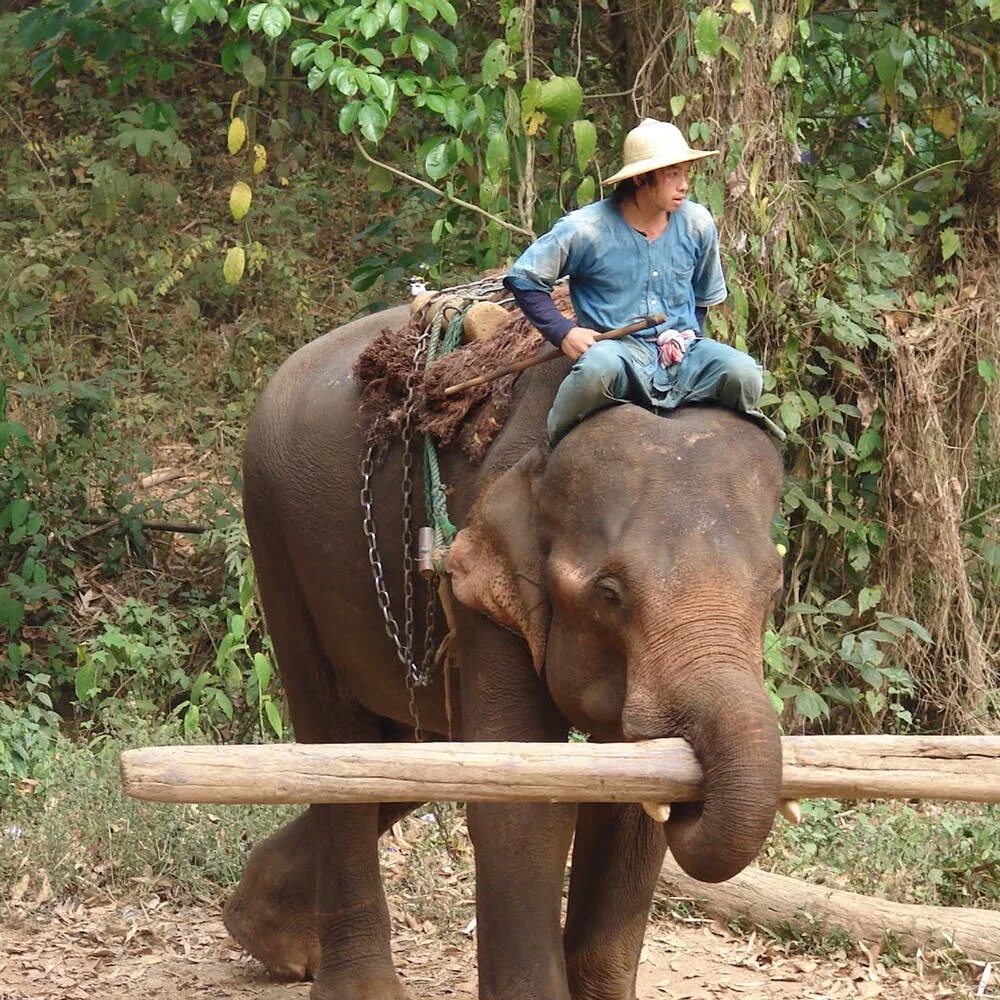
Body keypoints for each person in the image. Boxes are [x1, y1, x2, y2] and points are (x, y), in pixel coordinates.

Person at [503, 117, 782, 444]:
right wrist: (563, 332)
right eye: (671, 174)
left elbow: (703, 299)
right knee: (595, 371)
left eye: (684, 173)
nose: (684, 185)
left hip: (682, 353)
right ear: (640, 179)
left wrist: (683, 340)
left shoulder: (697, 224)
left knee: (744, 373)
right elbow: (524, 279)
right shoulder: (585, 229)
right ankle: (552, 449)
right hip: (619, 354)